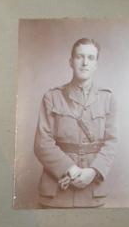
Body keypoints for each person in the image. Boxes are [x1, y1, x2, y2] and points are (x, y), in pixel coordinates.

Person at [33, 38, 118, 208]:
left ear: (96, 64)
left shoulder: (107, 98)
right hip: (57, 191)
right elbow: (42, 144)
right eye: (80, 57)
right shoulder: (52, 97)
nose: (85, 63)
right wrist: (71, 170)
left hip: (93, 190)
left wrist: (93, 172)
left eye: (91, 58)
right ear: (71, 62)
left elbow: (112, 142)